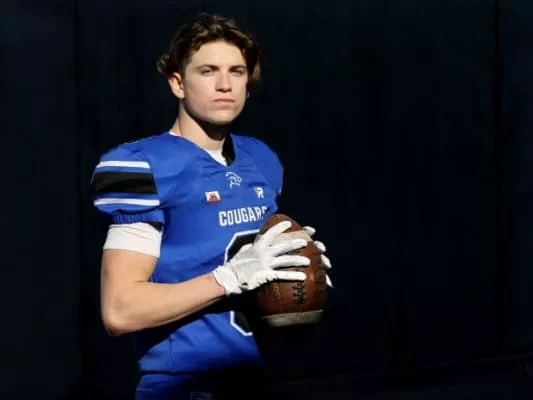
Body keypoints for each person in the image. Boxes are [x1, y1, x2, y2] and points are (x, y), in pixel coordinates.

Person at [90, 12, 332, 400]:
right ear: (177, 83)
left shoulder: (261, 160)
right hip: (181, 387)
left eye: (237, 72)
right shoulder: (145, 167)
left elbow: (260, 284)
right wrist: (229, 278)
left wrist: (292, 272)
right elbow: (120, 310)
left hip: (251, 379)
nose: (225, 85)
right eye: (208, 71)